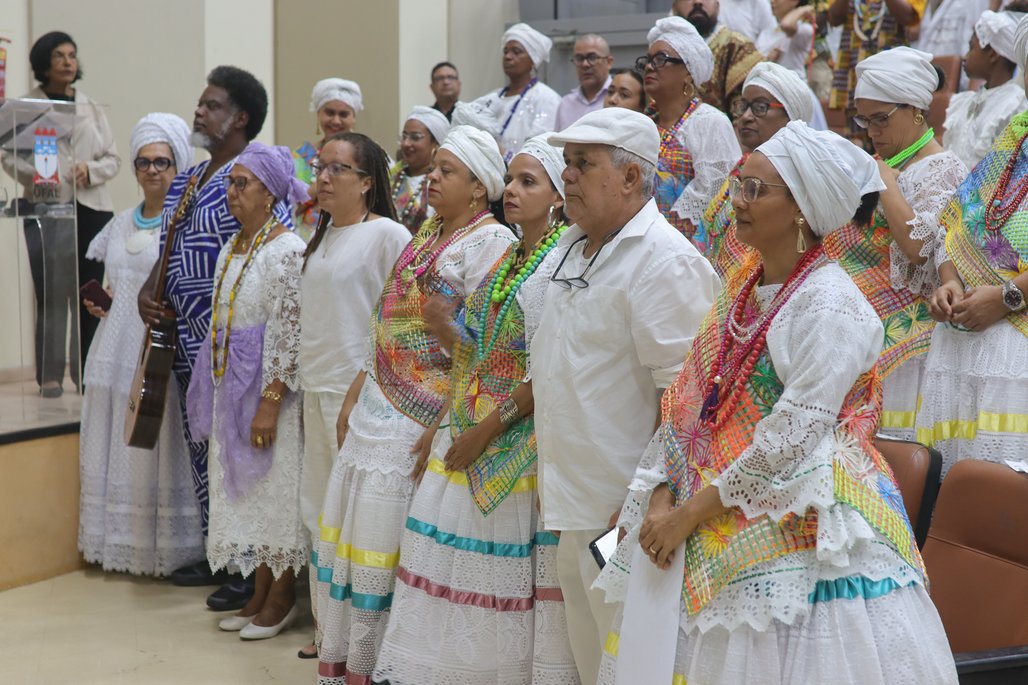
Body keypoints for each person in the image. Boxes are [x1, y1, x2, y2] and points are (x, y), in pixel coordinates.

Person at [594, 120, 958, 685]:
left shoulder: (832, 304)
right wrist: (658, 495)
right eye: (740, 185)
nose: (738, 201)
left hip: (809, 503)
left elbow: (791, 440)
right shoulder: (743, 289)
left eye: (756, 190)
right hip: (715, 490)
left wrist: (686, 515)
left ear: (802, 211)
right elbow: (690, 405)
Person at [372, 134, 579, 685]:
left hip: (516, 443)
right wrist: (443, 419)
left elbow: (546, 370)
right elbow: (479, 350)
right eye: (510, 179)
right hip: (468, 426)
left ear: (559, 195)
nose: (510, 190)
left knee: (495, 585)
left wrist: (485, 431)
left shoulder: (560, 262)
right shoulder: (513, 253)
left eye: (527, 182)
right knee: (439, 571)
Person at [313, 125, 515, 685]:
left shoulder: (491, 243)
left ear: (479, 188)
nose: (433, 179)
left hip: (426, 414)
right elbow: (385, 318)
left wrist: (446, 421)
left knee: (388, 546)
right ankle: (349, 663)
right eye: (435, 169)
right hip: (378, 403)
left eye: (448, 172)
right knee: (353, 540)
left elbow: (487, 351)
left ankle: (382, 667)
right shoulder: (425, 232)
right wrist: (357, 389)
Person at [531, 108, 721, 685]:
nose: (567, 177)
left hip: (626, 511)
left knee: (630, 663)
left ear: (632, 179)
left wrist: (645, 496)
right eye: (565, 164)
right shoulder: (572, 245)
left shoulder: (664, 261)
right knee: (593, 661)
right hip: (572, 500)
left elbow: (687, 399)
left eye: (583, 165)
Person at [137, 66, 291, 606]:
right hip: (186, 340)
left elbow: (278, 249)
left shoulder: (260, 173)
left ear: (240, 118)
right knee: (203, 448)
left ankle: (253, 568)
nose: (199, 112)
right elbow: (167, 249)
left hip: (238, 344)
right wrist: (150, 291)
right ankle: (219, 548)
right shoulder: (188, 179)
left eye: (211, 105)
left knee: (240, 454)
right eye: (200, 104)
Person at [185, 143, 309, 640]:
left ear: (270, 193)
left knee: (274, 488)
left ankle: (282, 596)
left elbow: (288, 330)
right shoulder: (234, 245)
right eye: (230, 183)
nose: (231, 193)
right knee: (245, 491)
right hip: (229, 388)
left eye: (243, 184)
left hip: (265, 391)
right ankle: (258, 590)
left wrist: (270, 402)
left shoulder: (287, 251)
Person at [296, 132, 411, 659]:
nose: (323, 177)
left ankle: (366, 641)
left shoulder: (386, 234)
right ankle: (328, 632)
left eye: (337, 169)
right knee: (317, 511)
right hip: (315, 388)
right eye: (320, 167)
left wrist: (362, 387)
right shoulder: (318, 235)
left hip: (361, 396)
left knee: (356, 521)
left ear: (367, 183)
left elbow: (400, 321)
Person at [78, 113, 202, 577]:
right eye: (143, 162)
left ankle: (166, 547)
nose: (152, 170)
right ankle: (118, 541)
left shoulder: (186, 224)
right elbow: (115, 284)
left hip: (159, 352)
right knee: (116, 440)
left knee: (160, 442)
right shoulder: (116, 223)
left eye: (162, 161)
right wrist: (102, 305)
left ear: (179, 165)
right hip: (112, 349)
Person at [916, 16, 1028, 474]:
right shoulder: (1018, 129)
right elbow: (962, 217)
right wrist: (949, 279)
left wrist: (1005, 298)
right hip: (970, 325)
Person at [849, 47, 968, 441]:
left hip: (914, 346)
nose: (871, 131)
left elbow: (921, 248)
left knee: (896, 448)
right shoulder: (886, 163)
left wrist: (885, 183)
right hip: (870, 332)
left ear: (916, 110)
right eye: (864, 120)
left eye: (880, 119)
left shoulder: (943, 167)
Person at [3, 31, 122, 398]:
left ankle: (86, 370)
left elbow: (113, 159)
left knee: (86, 292)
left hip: (90, 208)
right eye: (59, 56)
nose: (68, 62)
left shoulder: (91, 107)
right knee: (51, 293)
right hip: (46, 206)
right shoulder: (25, 106)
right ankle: (50, 375)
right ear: (43, 63)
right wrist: (38, 174)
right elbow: (8, 154)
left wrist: (90, 169)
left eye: (72, 55)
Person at [700, 62, 816, 278]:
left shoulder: (803, 181)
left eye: (760, 107)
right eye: (743, 106)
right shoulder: (735, 172)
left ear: (792, 118)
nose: (745, 116)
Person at [639, 17, 742, 246]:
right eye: (647, 60)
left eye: (660, 59)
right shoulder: (642, 123)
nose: (648, 66)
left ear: (688, 72)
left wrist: (664, 239)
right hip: (639, 244)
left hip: (690, 252)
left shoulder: (709, 122)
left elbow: (716, 194)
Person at [828, 0, 927, 139]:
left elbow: (909, 18)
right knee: (856, 136)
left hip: (890, 73)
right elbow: (833, 19)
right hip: (854, 70)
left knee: (889, 131)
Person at [944, 8, 1028, 171]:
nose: (965, 56)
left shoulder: (1014, 105)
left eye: (971, 47)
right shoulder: (964, 101)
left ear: (992, 55)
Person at [472, 22, 561, 162]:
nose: (508, 56)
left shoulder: (547, 98)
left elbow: (539, 152)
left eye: (516, 51)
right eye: (505, 51)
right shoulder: (492, 97)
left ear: (533, 59)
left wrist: (504, 155)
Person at [293, 78, 363, 241]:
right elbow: (290, 207)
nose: (336, 121)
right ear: (318, 114)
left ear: (354, 117)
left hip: (353, 237)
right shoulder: (302, 156)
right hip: (306, 240)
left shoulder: (367, 155)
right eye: (329, 113)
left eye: (343, 114)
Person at [673, 0, 766, 116]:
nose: (697, 2)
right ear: (674, 6)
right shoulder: (662, 50)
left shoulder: (737, 46)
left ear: (717, 5)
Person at [389, 106, 451, 234]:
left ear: (436, 143)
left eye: (415, 137)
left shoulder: (441, 183)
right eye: (404, 136)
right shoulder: (392, 177)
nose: (406, 143)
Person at [555, 34, 615, 130]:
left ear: (609, 62)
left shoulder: (619, 99)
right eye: (579, 58)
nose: (585, 64)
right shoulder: (566, 103)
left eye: (592, 57)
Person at [756, 0, 816, 77]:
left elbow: (786, 25)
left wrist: (802, 9)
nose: (772, 1)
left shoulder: (804, 29)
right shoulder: (769, 30)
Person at [915, 0, 990, 59]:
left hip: (956, 71)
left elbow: (969, 41)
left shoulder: (972, 3)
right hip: (930, 67)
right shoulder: (930, 4)